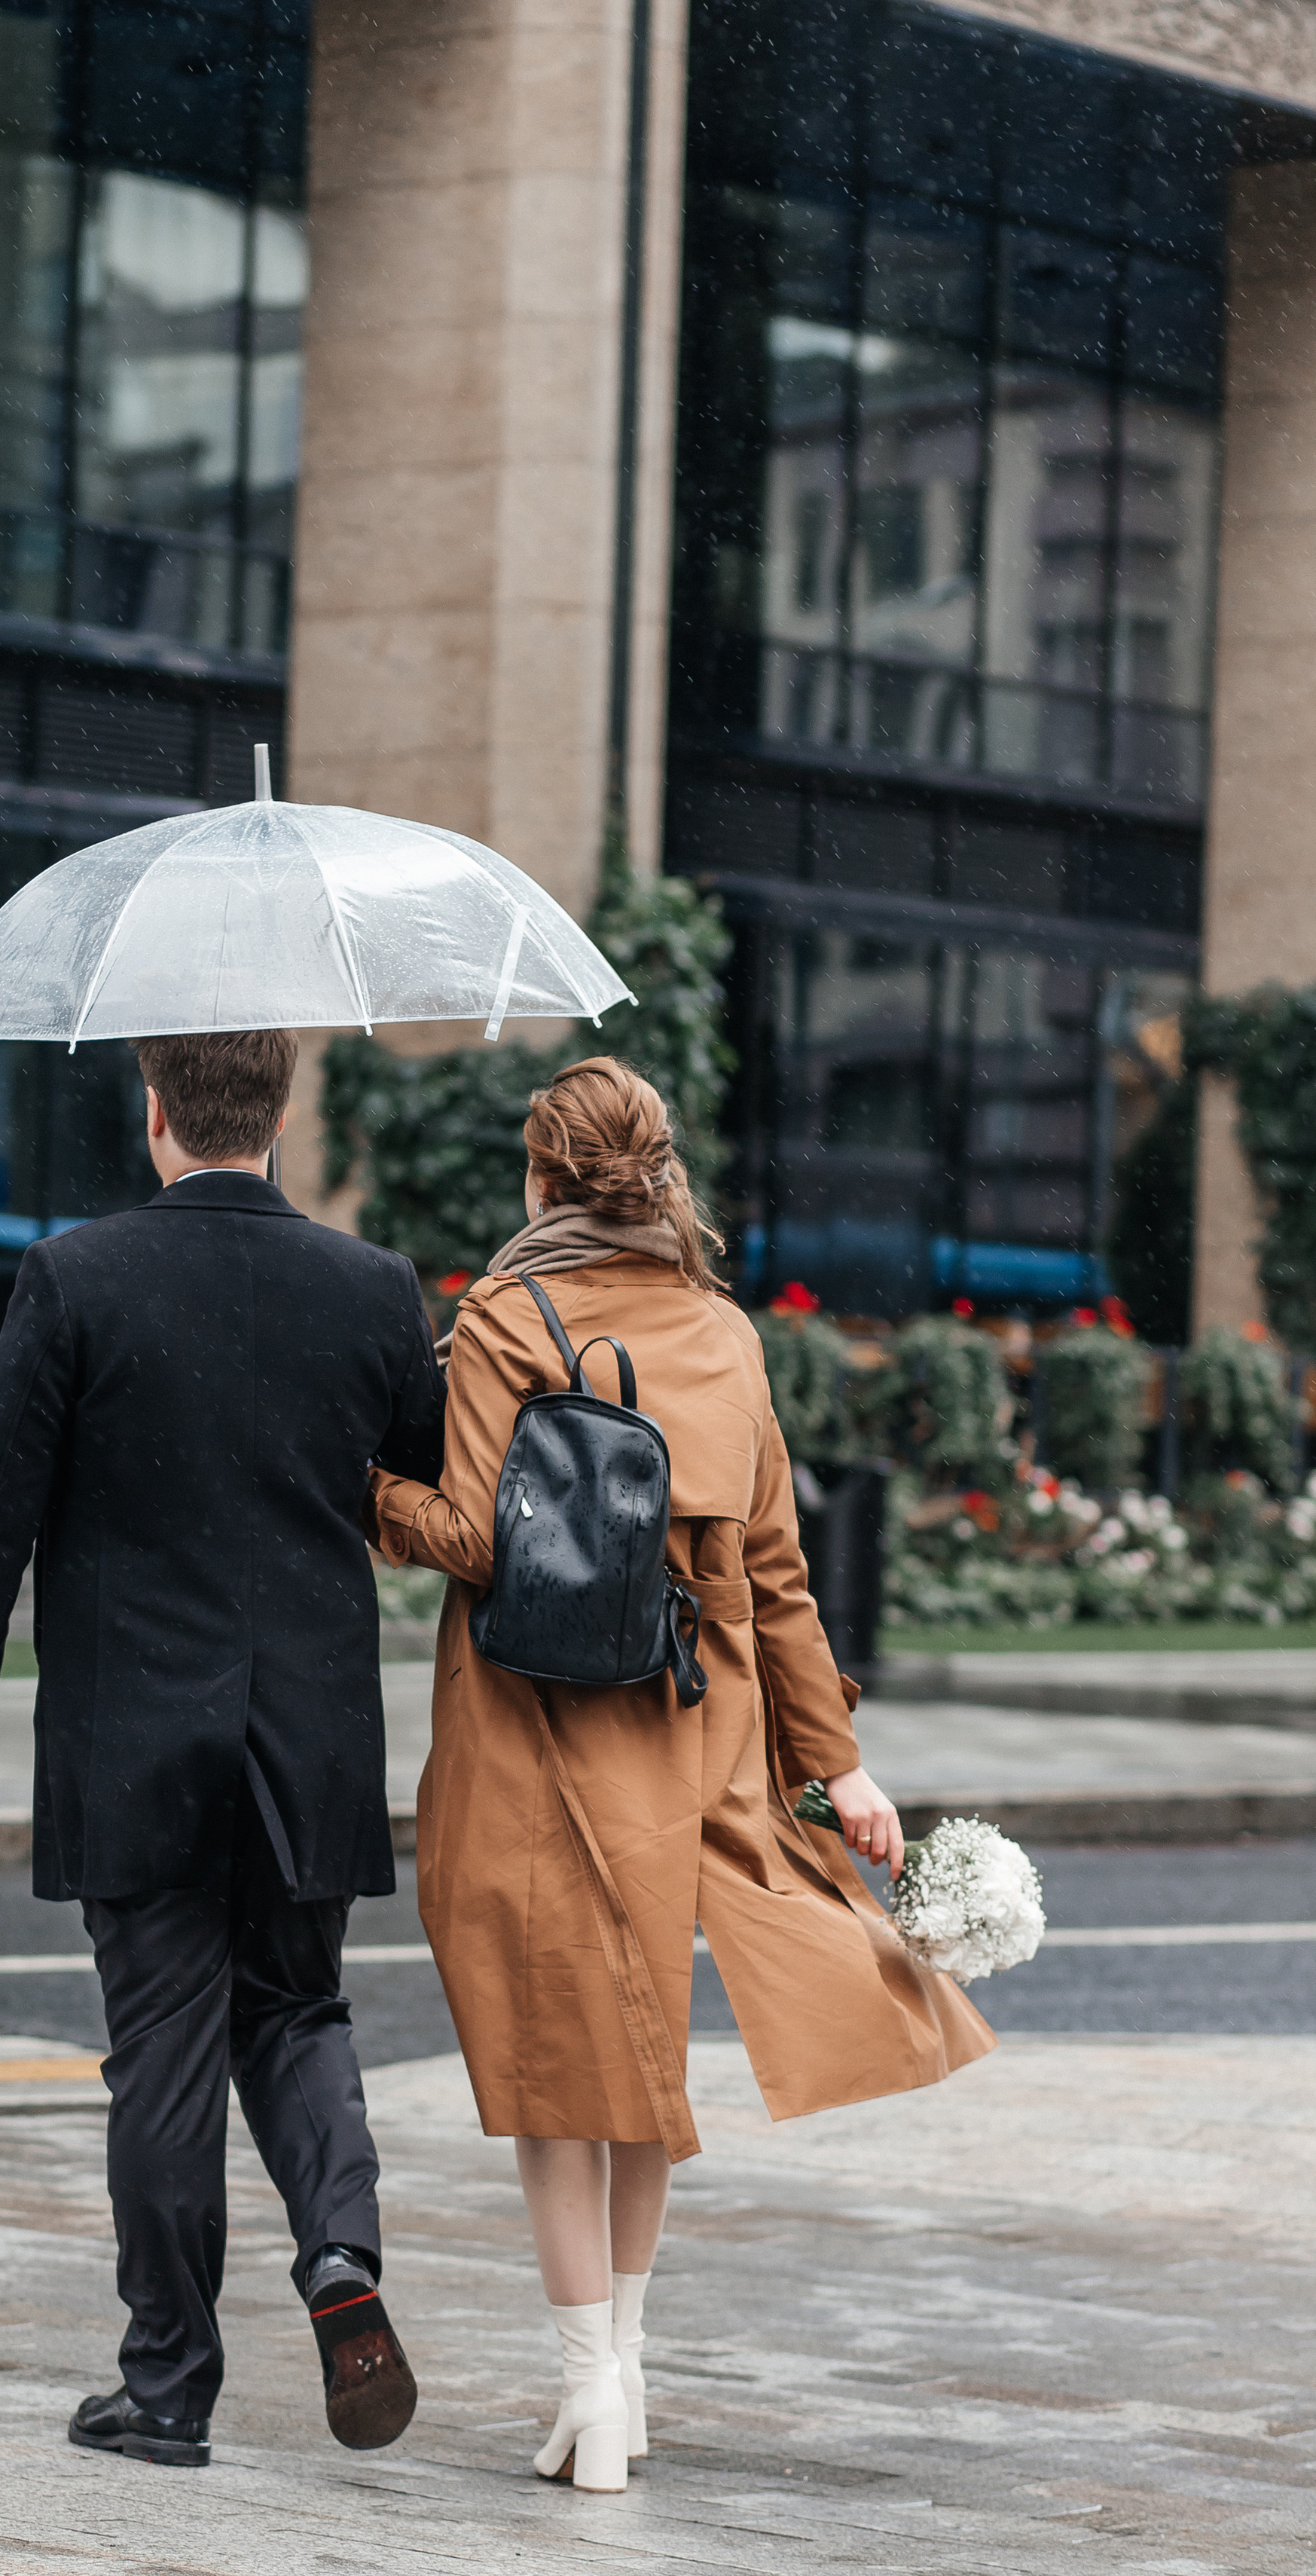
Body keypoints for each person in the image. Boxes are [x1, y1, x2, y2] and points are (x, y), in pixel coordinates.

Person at [367, 1056, 994, 2495]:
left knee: (553, 2060)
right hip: (692, 1727)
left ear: (543, 1175)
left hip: (538, 1724)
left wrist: (368, 1495)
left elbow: (475, 1534)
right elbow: (777, 1586)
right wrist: (839, 1775)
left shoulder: (502, 1317)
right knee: (644, 2055)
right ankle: (622, 2375)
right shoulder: (725, 1331)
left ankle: (591, 2378)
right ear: (656, 1174)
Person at [0, 1028, 445, 2470]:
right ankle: (341, 2253)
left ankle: (168, 2388)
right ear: (278, 1118)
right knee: (301, 2011)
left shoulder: (76, 1278)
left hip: (133, 1727)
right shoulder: (374, 1287)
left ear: (155, 1113)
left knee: (162, 2052)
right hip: (314, 1726)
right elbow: (429, 1475)